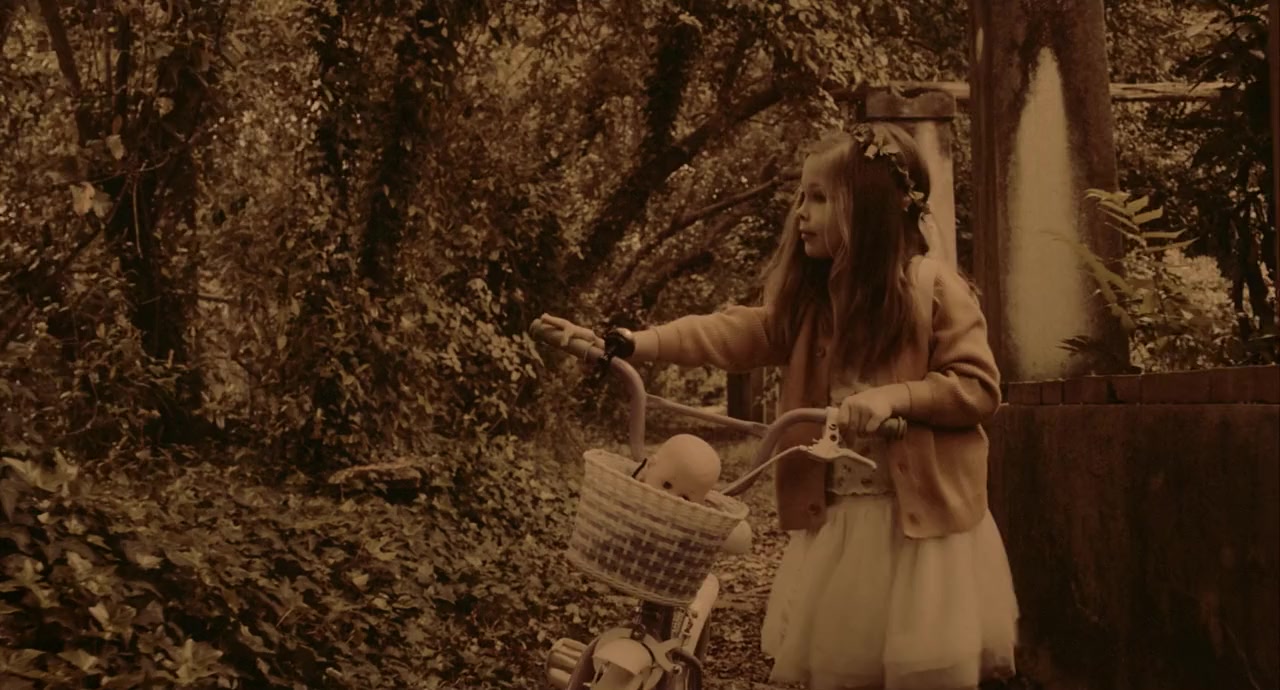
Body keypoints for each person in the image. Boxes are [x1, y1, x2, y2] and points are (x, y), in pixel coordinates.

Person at [542, 122, 1018, 690]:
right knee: (844, 664)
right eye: (801, 197)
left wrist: (896, 396)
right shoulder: (813, 303)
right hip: (842, 524)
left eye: (819, 199)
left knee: (921, 667)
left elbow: (977, 386)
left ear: (866, 210)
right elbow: (732, 333)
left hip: (919, 532)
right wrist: (636, 342)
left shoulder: (932, 290)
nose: (801, 214)